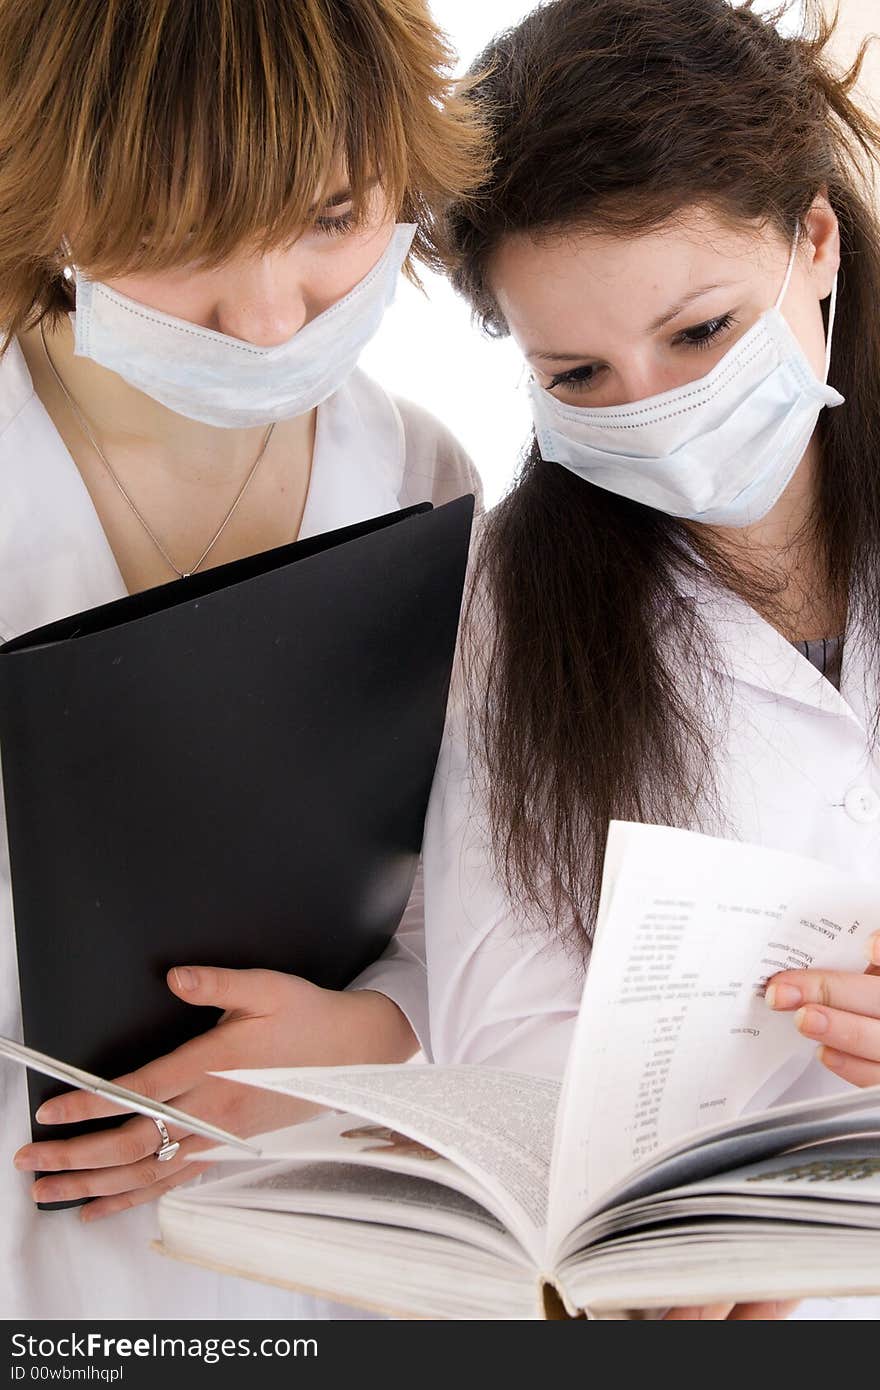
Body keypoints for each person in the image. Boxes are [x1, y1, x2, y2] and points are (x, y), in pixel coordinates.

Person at [0, 0, 484, 1319]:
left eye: (331, 218)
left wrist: (371, 1039)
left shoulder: (423, 478)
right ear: (51, 192)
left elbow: (470, 902)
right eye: (178, 233)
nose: (271, 316)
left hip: (321, 1246)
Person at [424, 0, 880, 1319]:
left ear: (814, 239)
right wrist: (657, 1232)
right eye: (579, 374)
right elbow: (499, 1029)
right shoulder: (511, 600)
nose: (656, 412)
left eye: (699, 335)